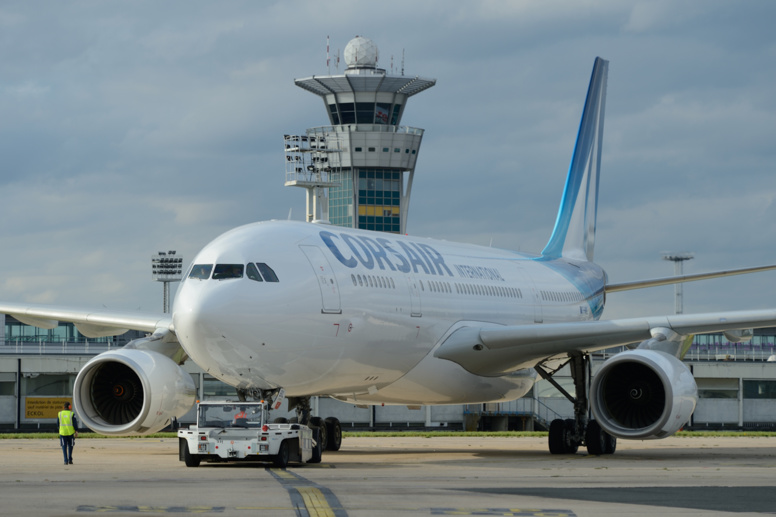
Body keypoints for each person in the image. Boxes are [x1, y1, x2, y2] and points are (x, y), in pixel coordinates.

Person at [57, 402, 78, 466]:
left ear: (63, 407)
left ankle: (65, 460)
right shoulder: (72, 414)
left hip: (62, 433)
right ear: (69, 407)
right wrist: (76, 431)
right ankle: (70, 459)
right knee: (70, 446)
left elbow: (57, 423)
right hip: (70, 433)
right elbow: (74, 423)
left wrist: (60, 429)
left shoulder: (60, 414)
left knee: (64, 447)